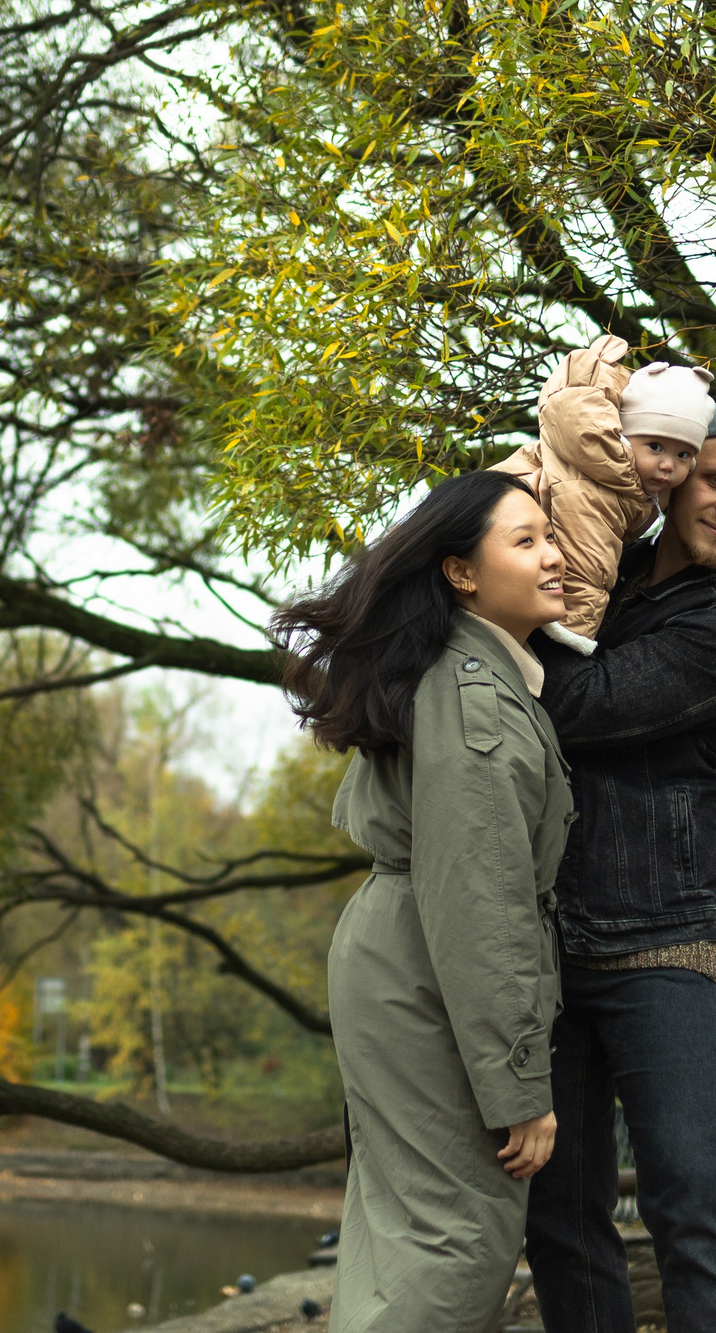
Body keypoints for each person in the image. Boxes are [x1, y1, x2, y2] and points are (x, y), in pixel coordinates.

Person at [271, 469, 577, 1333]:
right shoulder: (472, 693)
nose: (556, 556)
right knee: (458, 1239)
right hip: (427, 972)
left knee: (407, 1236)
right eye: (527, 542)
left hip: (400, 957)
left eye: (551, 535)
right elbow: (481, 901)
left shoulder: (477, 673)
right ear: (461, 574)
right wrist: (519, 1084)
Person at [524, 399, 716, 1333]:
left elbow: (578, 701)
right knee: (560, 1209)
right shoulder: (612, 559)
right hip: (553, 939)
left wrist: (517, 610)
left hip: (666, 945)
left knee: (690, 1204)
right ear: (680, 474)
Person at [489, 334, 716, 650]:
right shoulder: (600, 482)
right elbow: (587, 567)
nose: (668, 465)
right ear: (625, 436)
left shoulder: (630, 484)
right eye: (655, 447)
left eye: (683, 455)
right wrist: (572, 640)